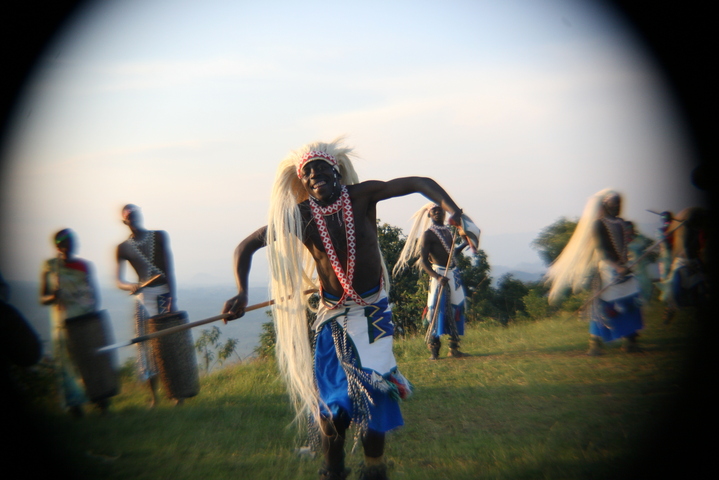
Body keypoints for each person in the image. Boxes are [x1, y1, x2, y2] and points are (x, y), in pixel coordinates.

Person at [222, 138, 465, 480]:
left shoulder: (361, 196)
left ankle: (374, 471)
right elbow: (246, 246)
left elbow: (417, 182)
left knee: (375, 393)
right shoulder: (301, 215)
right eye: (307, 172)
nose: (314, 175)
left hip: (373, 313)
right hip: (333, 318)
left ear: (335, 170)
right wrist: (241, 292)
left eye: (321, 167)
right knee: (334, 408)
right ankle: (333, 471)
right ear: (302, 181)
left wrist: (453, 208)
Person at [545, 189, 643, 356]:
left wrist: (629, 258)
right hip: (608, 269)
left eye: (619, 204)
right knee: (605, 307)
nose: (617, 207)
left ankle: (630, 340)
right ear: (605, 205)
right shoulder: (598, 224)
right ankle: (595, 344)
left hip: (624, 268)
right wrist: (617, 266)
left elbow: (630, 243)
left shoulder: (622, 223)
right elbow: (602, 250)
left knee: (630, 303)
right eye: (614, 204)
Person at [116, 204, 179, 407]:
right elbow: (118, 281)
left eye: (136, 214)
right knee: (145, 347)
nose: (134, 218)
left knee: (168, 344)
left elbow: (169, 270)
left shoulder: (159, 236)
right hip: (143, 299)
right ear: (124, 221)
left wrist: (172, 299)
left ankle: (176, 393)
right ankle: (154, 398)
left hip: (163, 295)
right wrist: (130, 286)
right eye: (130, 216)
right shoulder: (123, 248)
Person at [39, 228, 108, 415]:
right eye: (67, 243)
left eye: (73, 242)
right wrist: (53, 296)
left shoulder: (84, 266)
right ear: (58, 246)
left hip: (85, 320)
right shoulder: (50, 266)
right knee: (67, 365)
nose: (71, 246)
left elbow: (94, 295)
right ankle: (74, 406)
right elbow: (43, 298)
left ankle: (101, 402)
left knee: (91, 362)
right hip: (62, 323)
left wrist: (92, 314)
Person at [393, 203, 470, 359]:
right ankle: (434, 351)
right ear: (429, 215)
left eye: (440, 210)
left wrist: (464, 243)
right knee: (436, 310)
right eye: (434, 211)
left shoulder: (448, 231)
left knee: (456, 309)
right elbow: (423, 261)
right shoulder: (428, 234)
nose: (438, 213)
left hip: (453, 274)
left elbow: (451, 254)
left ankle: (454, 348)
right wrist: (437, 277)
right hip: (439, 274)